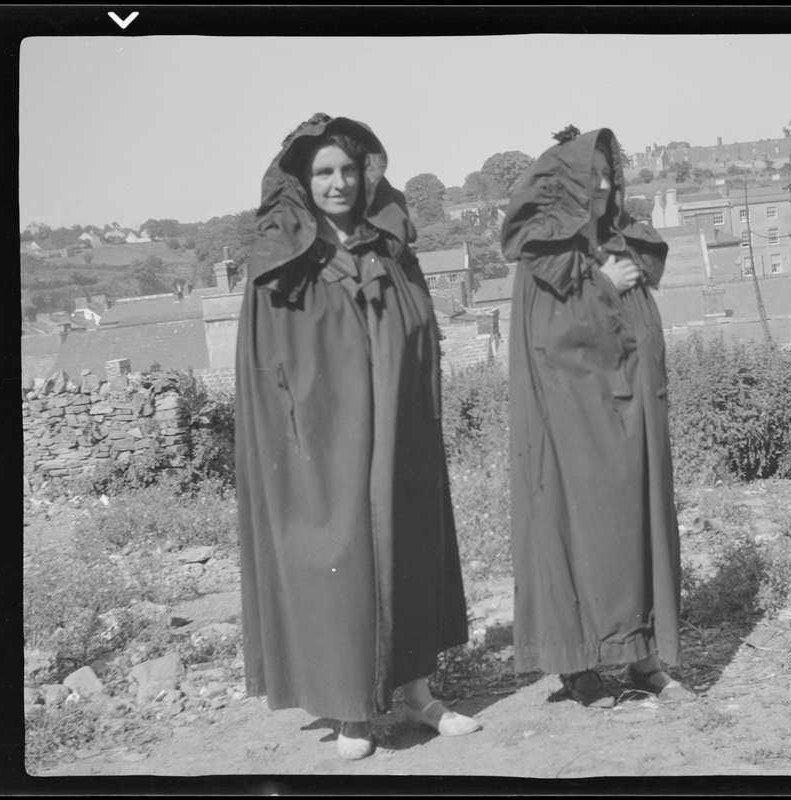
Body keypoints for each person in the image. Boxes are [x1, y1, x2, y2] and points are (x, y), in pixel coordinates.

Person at [235, 113, 480, 760]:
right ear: (302, 181)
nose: (338, 183)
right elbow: (270, 363)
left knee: (405, 542)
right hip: (325, 438)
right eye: (323, 172)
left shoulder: (390, 244)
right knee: (340, 560)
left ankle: (417, 692)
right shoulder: (282, 258)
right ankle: (350, 711)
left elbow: (419, 328)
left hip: (399, 425)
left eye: (347, 169)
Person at [501, 126, 696, 708]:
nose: (607, 188)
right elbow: (552, 342)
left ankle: (641, 656)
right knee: (581, 531)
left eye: (611, 177)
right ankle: (578, 664)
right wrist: (602, 286)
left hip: (629, 413)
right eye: (593, 179)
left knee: (634, 525)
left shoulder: (619, 239)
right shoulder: (545, 256)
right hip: (571, 422)